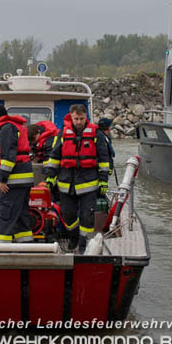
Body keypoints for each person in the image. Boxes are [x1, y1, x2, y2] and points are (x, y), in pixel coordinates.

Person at [44, 104, 110, 252]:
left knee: (87, 215)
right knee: (67, 214)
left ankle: (82, 242)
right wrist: (50, 177)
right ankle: (73, 235)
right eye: (76, 119)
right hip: (66, 182)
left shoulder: (96, 133)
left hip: (89, 183)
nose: (79, 121)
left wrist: (104, 180)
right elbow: (54, 157)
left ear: (86, 116)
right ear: (71, 117)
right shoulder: (63, 133)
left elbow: (104, 159)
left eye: (81, 118)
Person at [0, 103, 35, 243]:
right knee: (21, 216)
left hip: (13, 181)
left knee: (4, 215)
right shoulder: (15, 126)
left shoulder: (6, 128)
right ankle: (26, 247)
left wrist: (2, 179)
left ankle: (1, 249)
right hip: (23, 180)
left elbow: (8, 157)